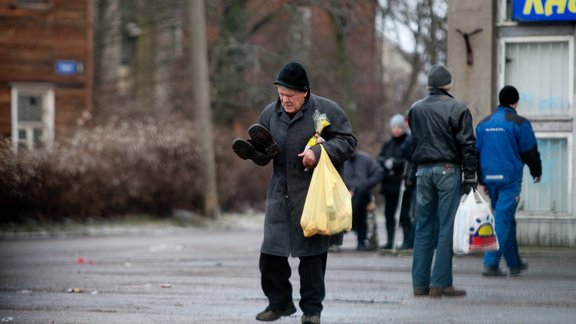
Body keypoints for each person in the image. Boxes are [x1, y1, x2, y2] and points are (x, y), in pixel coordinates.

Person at [235, 61, 357, 324]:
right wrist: (259, 154)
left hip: (312, 193)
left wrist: (319, 151)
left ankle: (312, 310)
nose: (285, 100)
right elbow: (266, 146)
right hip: (280, 193)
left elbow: (348, 141)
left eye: (290, 95)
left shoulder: (327, 110)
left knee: (312, 259)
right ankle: (279, 304)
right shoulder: (270, 112)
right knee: (270, 255)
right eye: (281, 94)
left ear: (305, 92)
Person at [407, 64, 478, 298]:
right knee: (446, 227)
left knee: (423, 228)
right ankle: (441, 283)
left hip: (422, 171)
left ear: (429, 85)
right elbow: (467, 145)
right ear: (448, 85)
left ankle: (419, 284)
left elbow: (412, 145)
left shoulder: (415, 109)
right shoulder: (458, 108)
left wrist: (410, 174)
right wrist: (470, 176)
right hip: (448, 170)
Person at [475, 85, 542, 277]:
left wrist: (482, 180)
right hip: (509, 180)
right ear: (515, 102)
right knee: (503, 219)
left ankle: (514, 263)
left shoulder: (483, 124)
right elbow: (530, 151)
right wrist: (536, 171)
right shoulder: (519, 123)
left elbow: (477, 153)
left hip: (490, 179)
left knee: (506, 219)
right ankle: (491, 263)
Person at [376, 114, 413, 250]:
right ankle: (390, 241)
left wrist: (395, 163)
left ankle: (407, 242)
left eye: (399, 127)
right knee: (388, 215)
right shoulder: (388, 144)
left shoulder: (408, 141)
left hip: (402, 185)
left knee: (404, 215)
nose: (396, 130)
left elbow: (408, 160)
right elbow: (379, 157)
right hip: (388, 185)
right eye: (394, 127)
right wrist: (386, 162)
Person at [342, 150, 383, 251]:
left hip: (362, 193)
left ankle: (351, 221)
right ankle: (352, 223)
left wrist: (367, 184)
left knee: (360, 201)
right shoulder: (341, 159)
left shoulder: (365, 158)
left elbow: (379, 172)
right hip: (343, 193)